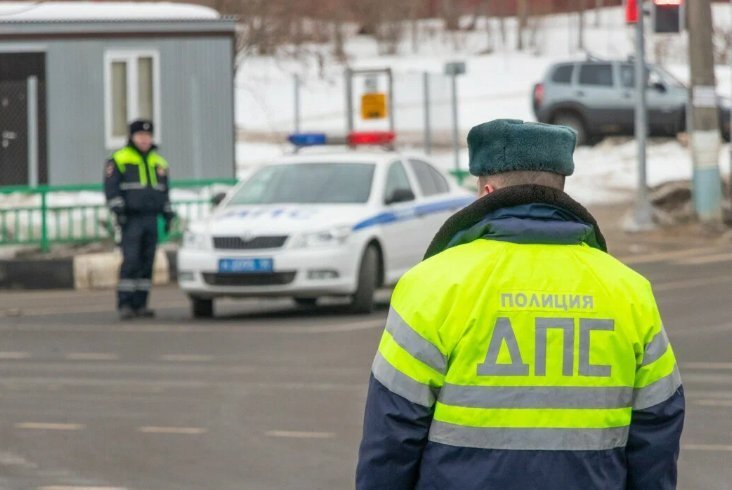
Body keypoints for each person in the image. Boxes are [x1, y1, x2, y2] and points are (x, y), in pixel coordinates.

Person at [356, 119, 684, 489]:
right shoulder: (630, 292)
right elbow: (658, 425)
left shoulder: (431, 285)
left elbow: (392, 433)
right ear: (560, 188)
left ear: (487, 192)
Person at [104, 120, 176, 320]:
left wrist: (167, 213)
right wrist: (118, 210)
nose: (144, 140)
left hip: (151, 218)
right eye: (140, 136)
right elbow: (111, 188)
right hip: (131, 219)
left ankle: (141, 304)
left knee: (147, 261)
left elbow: (164, 191)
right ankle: (125, 303)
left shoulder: (159, 162)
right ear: (132, 137)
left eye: (148, 136)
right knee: (132, 260)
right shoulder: (119, 159)